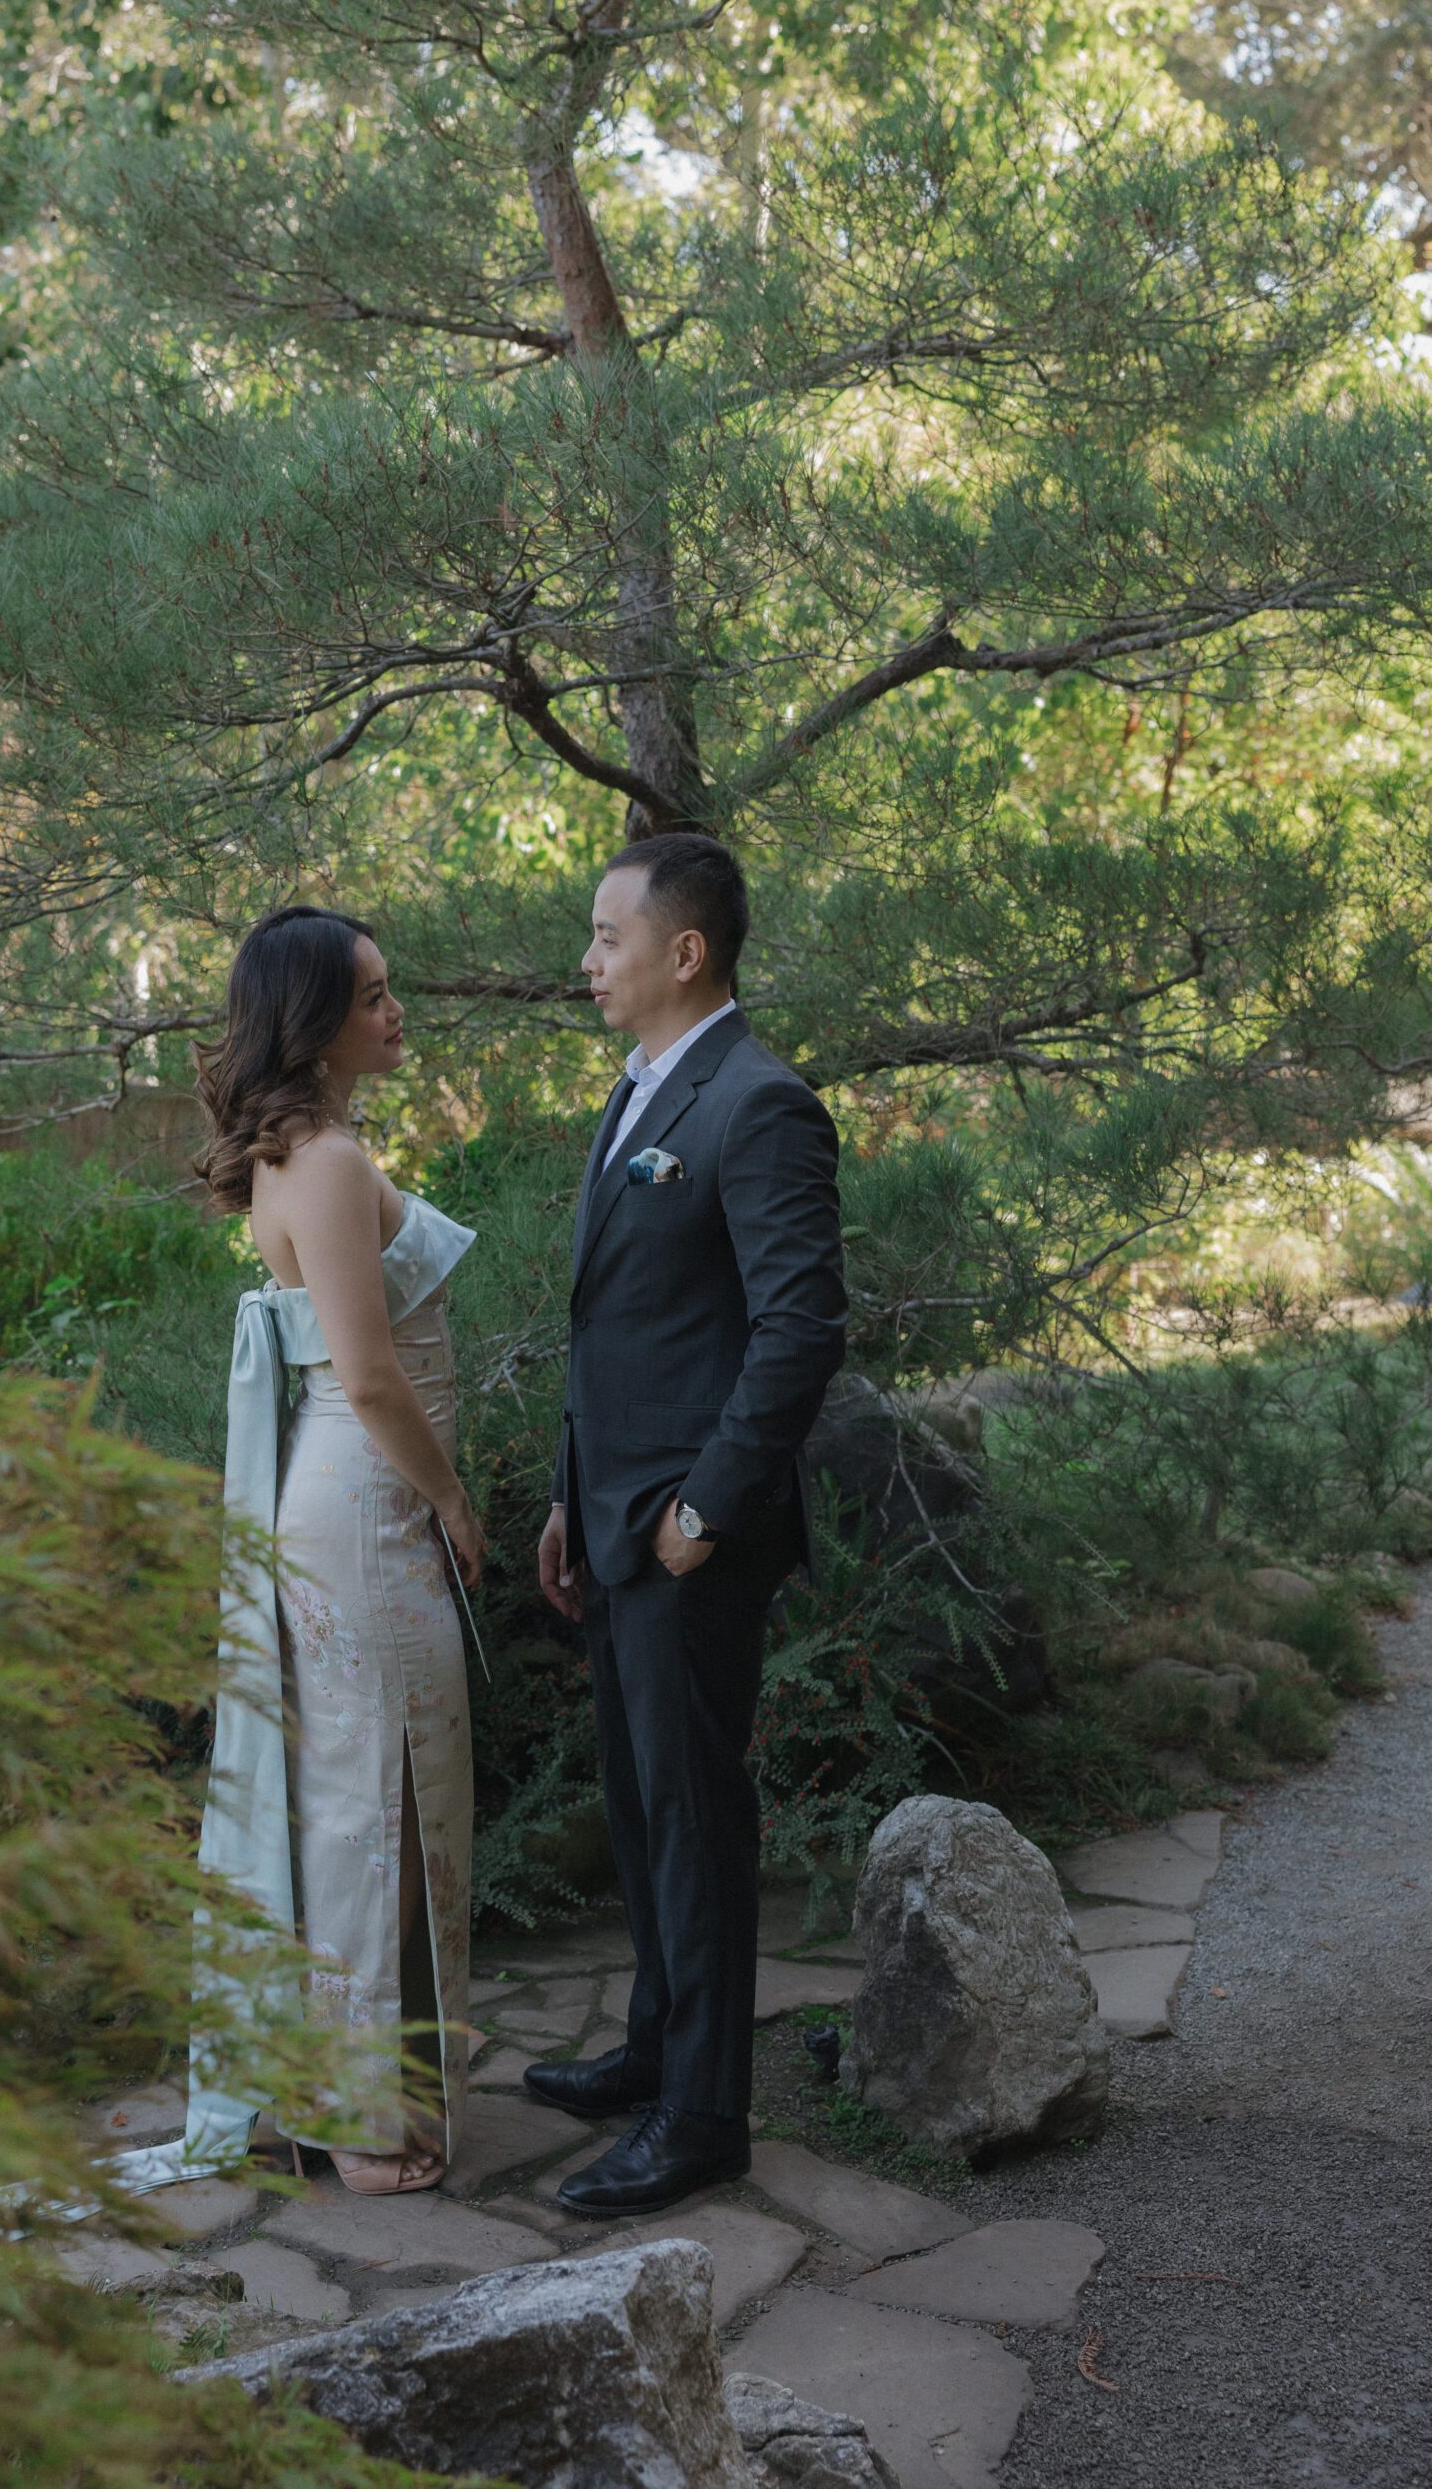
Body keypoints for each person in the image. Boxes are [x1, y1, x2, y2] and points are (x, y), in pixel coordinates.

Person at [530, 836, 847, 2217]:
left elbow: (799, 1327)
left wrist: (704, 1508)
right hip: (609, 1514)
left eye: (605, 937)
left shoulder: (758, 1101)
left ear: (684, 952)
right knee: (641, 1799)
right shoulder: (640, 1089)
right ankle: (657, 2041)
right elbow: (617, 1326)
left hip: (687, 1533)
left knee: (695, 1818)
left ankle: (703, 2115)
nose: (586, 961)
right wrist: (565, 1488)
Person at [182, 906, 484, 2196]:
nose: (394, 1010)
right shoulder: (332, 1163)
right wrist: (456, 1502)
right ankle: (361, 2124)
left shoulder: (292, 1153)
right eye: (370, 996)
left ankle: (344, 2096)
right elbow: (366, 1375)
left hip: (339, 1502)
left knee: (361, 1802)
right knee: (375, 1807)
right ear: (313, 1019)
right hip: (366, 1505)